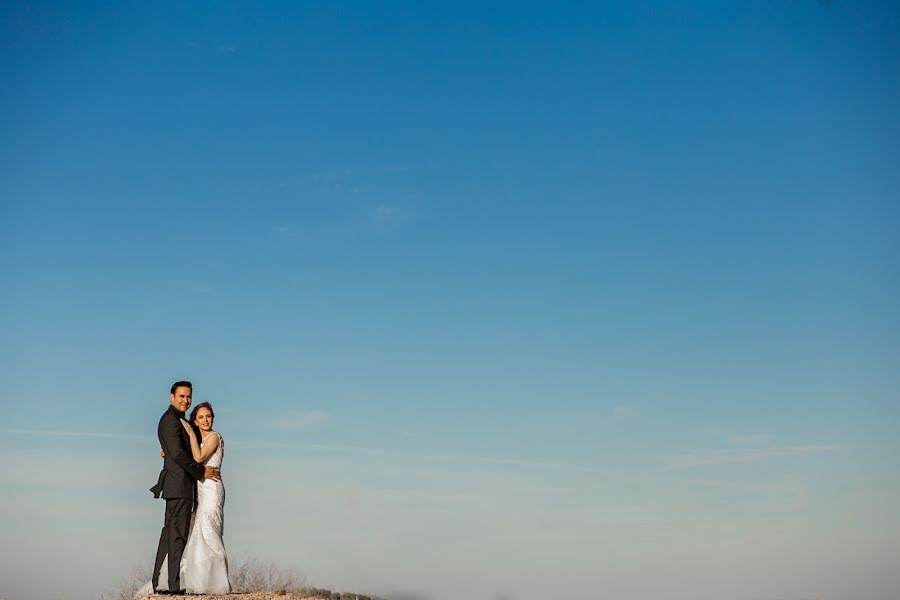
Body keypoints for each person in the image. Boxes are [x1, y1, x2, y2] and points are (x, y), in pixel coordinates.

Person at [143, 381, 220, 595]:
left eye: (188, 396)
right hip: (178, 486)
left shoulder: (179, 420)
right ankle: (172, 586)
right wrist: (200, 472)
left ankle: (162, 583)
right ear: (171, 397)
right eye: (181, 396)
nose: (185, 400)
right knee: (175, 535)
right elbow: (177, 454)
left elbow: (176, 449)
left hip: (180, 486)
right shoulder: (170, 420)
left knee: (171, 534)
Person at [176, 401, 232, 594]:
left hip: (212, 489)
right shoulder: (198, 437)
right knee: (197, 531)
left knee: (210, 531)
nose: (205, 420)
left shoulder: (214, 437)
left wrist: (191, 434)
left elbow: (199, 458)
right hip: (199, 490)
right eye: (201, 417)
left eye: (208, 416)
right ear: (196, 420)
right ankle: (198, 580)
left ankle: (218, 582)